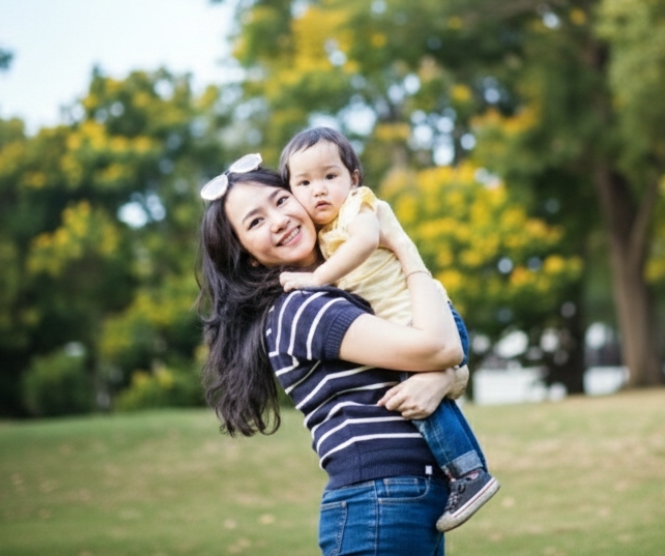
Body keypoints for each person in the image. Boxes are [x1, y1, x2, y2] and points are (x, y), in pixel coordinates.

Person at [197, 155, 469, 555]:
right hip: (379, 502)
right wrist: (401, 245)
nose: (278, 220)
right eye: (255, 222)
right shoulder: (302, 310)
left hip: (403, 499)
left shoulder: (344, 289)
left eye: (281, 200)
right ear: (249, 256)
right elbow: (441, 347)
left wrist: (445, 377)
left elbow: (444, 348)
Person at [277, 126, 498, 532]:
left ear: (354, 178)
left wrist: (317, 278)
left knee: (424, 405)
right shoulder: (323, 236)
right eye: (304, 183)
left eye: (330, 176)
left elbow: (365, 243)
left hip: (426, 321)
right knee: (418, 397)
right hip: (412, 332)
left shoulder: (358, 208)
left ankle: (469, 473)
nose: (319, 190)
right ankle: (464, 472)